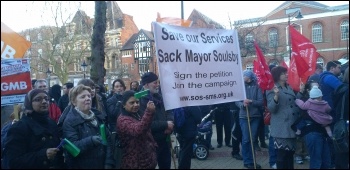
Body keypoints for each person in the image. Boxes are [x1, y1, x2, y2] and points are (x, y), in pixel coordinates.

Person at [2, 89, 64, 169]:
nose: (44, 101)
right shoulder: (19, 127)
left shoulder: (51, 123)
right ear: (29, 104)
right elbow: (12, 161)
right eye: (38, 99)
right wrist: (43, 155)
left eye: (46, 99)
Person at [62, 85, 114, 168]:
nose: (88, 98)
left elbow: (108, 140)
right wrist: (91, 140)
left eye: (89, 96)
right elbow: (72, 148)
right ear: (74, 102)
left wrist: (108, 162)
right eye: (83, 97)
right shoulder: (69, 121)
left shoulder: (98, 116)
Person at [266, 66, 299, 169]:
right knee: (282, 154)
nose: (286, 75)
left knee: (290, 153)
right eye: (283, 73)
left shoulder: (288, 87)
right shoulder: (272, 88)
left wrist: (301, 92)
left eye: (286, 73)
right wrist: (276, 96)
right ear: (277, 76)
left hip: (292, 125)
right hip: (282, 126)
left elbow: (293, 103)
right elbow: (271, 108)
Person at [139, 72, 174, 169]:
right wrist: (165, 124)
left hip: (164, 139)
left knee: (166, 165)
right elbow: (146, 124)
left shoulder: (159, 97)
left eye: (158, 82)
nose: (157, 85)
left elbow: (169, 111)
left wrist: (170, 124)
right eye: (155, 83)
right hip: (150, 142)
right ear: (146, 84)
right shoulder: (140, 101)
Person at [117, 90, 157, 169]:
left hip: (146, 160)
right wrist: (149, 112)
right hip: (135, 163)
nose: (136, 105)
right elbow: (138, 130)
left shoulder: (137, 114)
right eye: (132, 103)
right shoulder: (122, 120)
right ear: (124, 105)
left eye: (137, 102)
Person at [235, 70, 263, 169]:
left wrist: (251, 101)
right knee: (246, 139)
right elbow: (237, 101)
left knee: (252, 139)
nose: (243, 77)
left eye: (244, 75)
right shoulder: (240, 88)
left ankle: (253, 161)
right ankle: (247, 161)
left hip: (255, 116)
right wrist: (242, 104)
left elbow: (260, 102)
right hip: (244, 116)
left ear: (249, 77)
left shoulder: (257, 87)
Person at [106, 78, 126, 169]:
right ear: (113, 89)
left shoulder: (127, 98)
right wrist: (119, 104)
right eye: (117, 86)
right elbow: (113, 114)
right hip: (116, 132)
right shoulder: (110, 100)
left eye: (121, 86)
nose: (119, 88)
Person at [332, 66, 349, 169]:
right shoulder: (346, 91)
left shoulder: (340, 88)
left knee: (341, 156)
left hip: (340, 125)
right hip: (345, 126)